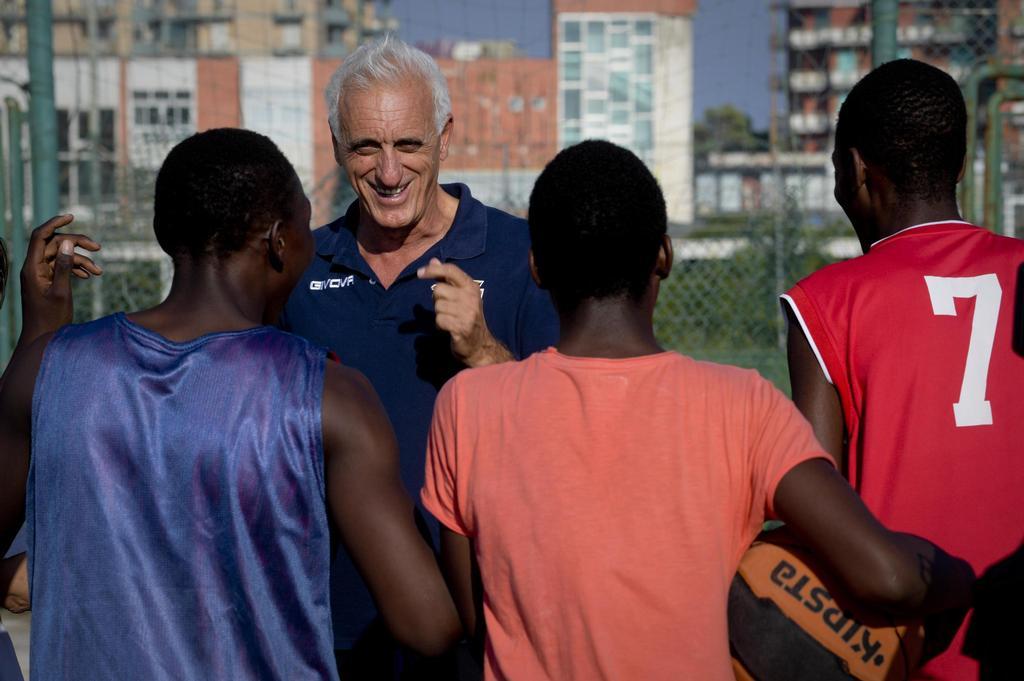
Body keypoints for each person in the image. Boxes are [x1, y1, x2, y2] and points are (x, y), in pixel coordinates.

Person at [421, 140, 975, 681]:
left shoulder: (467, 406)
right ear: (664, 255)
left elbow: (476, 616)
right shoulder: (744, 405)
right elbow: (889, 577)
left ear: (537, 267)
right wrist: (966, 576)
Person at [0, 128, 460, 679]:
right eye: (304, 224)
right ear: (279, 241)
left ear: (163, 233)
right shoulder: (328, 395)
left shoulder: (44, 369)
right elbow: (428, 626)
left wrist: (42, 335)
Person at [279, 35, 558, 673]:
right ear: (335, 145)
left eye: (408, 144)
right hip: (326, 627)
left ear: (444, 137)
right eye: (365, 147)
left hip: (485, 622)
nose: (388, 172)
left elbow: (573, 434)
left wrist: (486, 352)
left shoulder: (520, 256)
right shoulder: (299, 264)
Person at [782, 59, 1024, 680]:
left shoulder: (824, 301)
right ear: (960, 166)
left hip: (899, 648)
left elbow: (817, 510)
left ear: (856, 168)